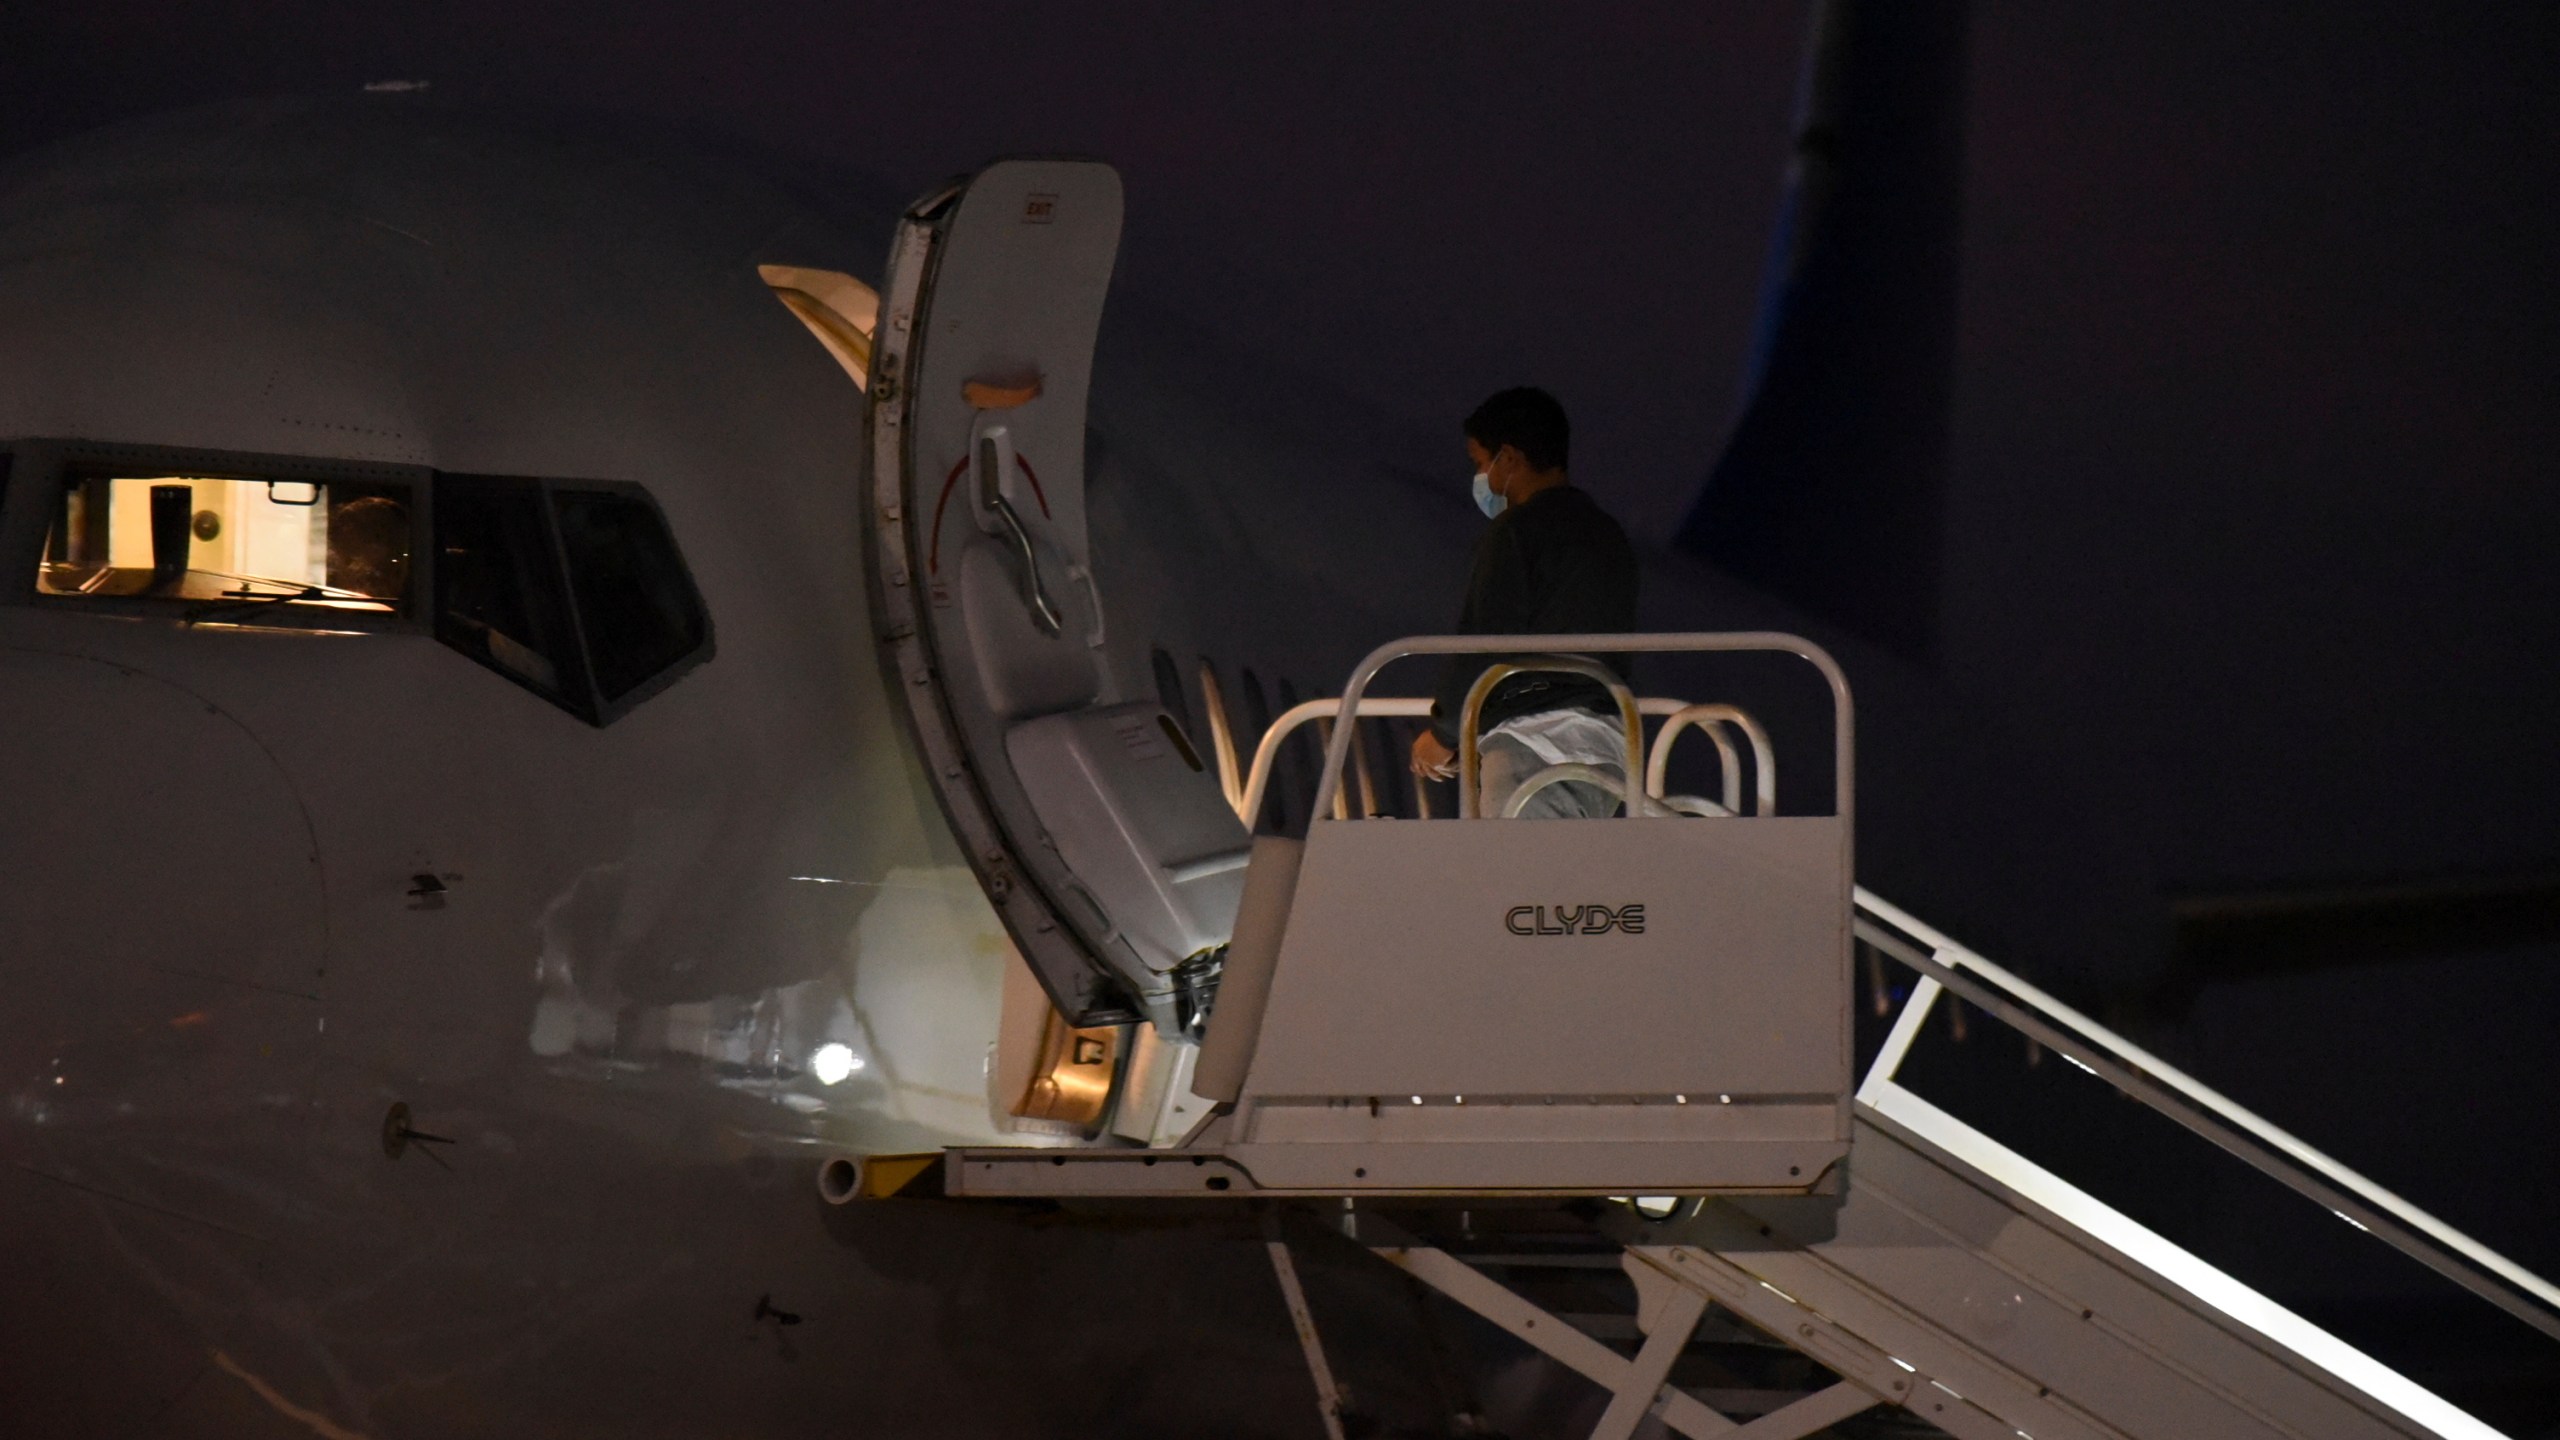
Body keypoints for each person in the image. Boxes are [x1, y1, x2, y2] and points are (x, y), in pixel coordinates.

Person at [1409, 387, 1638, 818]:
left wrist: (1443, 734)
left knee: (1518, 882)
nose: (1485, 481)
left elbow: (1484, 641)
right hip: (1606, 744)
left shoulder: (1516, 532)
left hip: (1534, 743)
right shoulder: (1609, 536)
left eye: (1482, 464)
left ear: (1509, 459)